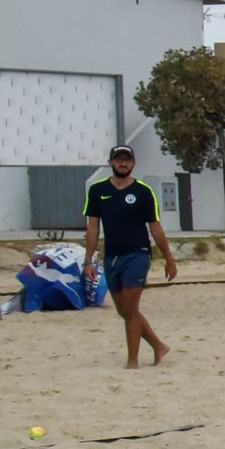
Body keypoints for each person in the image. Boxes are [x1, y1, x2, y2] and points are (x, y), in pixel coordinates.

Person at [82, 145, 176, 369]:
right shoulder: (97, 191)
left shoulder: (144, 192)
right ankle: (158, 345)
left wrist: (169, 259)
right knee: (123, 310)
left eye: (127, 159)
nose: (123, 163)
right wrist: (88, 260)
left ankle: (132, 361)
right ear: (111, 162)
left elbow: (155, 228)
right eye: (118, 159)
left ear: (134, 163)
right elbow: (93, 228)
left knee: (131, 309)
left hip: (138, 254)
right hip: (112, 256)